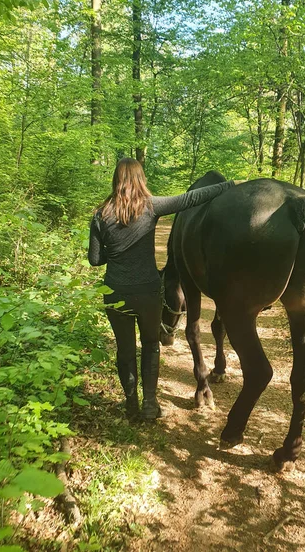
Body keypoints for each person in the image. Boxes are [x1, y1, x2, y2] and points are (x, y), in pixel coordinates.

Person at [88, 158, 235, 422]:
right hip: (147, 292)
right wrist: (230, 185)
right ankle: (150, 405)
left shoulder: (100, 215)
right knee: (150, 347)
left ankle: (131, 406)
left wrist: (118, 254)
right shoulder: (151, 206)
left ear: (115, 180)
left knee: (125, 350)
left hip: (115, 292)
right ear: (140, 179)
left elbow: (95, 260)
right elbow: (191, 198)